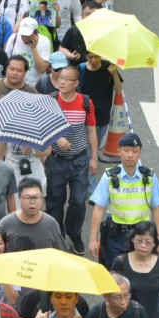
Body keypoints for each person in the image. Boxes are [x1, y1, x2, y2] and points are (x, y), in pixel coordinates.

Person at [89, 131, 159, 269]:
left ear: (140, 152)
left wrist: (158, 239)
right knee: (113, 277)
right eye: (126, 150)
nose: (130, 155)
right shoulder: (109, 177)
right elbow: (99, 208)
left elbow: (156, 208)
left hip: (142, 236)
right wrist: (93, 239)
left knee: (141, 275)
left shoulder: (149, 177)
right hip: (116, 237)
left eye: (135, 151)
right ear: (119, 151)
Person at [45, 65, 97, 255]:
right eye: (60, 78)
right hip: (56, 160)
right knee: (55, 201)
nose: (62, 81)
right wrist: (57, 137)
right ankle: (57, 235)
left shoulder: (85, 102)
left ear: (76, 83)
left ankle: (74, 233)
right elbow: (44, 127)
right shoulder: (51, 100)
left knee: (78, 201)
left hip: (79, 160)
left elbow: (91, 130)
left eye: (67, 79)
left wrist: (94, 158)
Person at [111, 221, 159, 318]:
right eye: (139, 240)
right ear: (132, 239)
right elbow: (110, 294)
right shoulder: (120, 262)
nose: (143, 245)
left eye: (148, 242)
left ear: (154, 244)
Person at [0, 177, 67, 251]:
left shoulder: (51, 224)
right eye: (28, 197)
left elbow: (60, 253)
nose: (32, 202)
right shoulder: (6, 224)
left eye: (36, 197)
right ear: (19, 197)